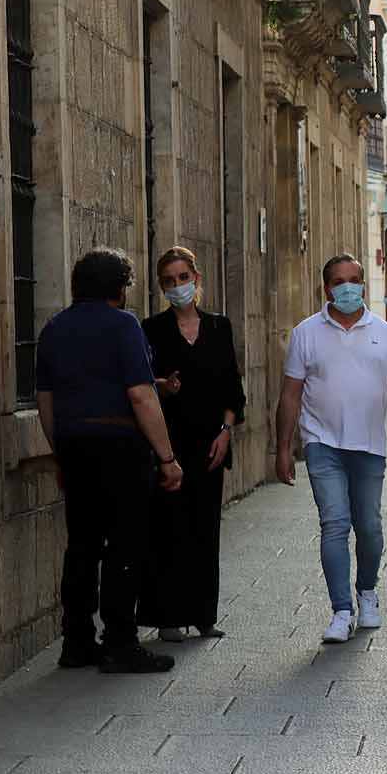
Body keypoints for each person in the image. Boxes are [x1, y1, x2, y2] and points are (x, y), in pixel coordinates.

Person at [36, 248, 182, 675]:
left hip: (75, 444)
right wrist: (168, 457)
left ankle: (76, 641)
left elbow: (46, 401)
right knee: (124, 544)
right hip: (120, 446)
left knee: (81, 546)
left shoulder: (53, 329)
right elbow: (141, 395)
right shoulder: (124, 326)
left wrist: (60, 450)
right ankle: (120, 641)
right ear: (119, 288)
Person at [276, 254, 387, 644]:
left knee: (369, 527)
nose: (348, 287)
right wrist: (283, 447)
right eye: (339, 281)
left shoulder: (385, 334)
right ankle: (341, 610)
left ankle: (367, 592)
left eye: (354, 279)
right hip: (322, 443)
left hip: (369, 446)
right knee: (335, 524)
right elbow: (290, 395)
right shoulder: (306, 333)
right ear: (327, 289)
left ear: (363, 285)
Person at [140, 247, 246, 644]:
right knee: (168, 529)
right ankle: (166, 616)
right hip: (169, 443)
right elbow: (140, 387)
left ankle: (203, 614)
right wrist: (163, 387)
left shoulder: (219, 328)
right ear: (161, 287)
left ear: (196, 279)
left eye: (183, 277)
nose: (178, 286)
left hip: (210, 443)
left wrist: (225, 430)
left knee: (205, 529)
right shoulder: (151, 330)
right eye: (169, 280)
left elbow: (233, 389)